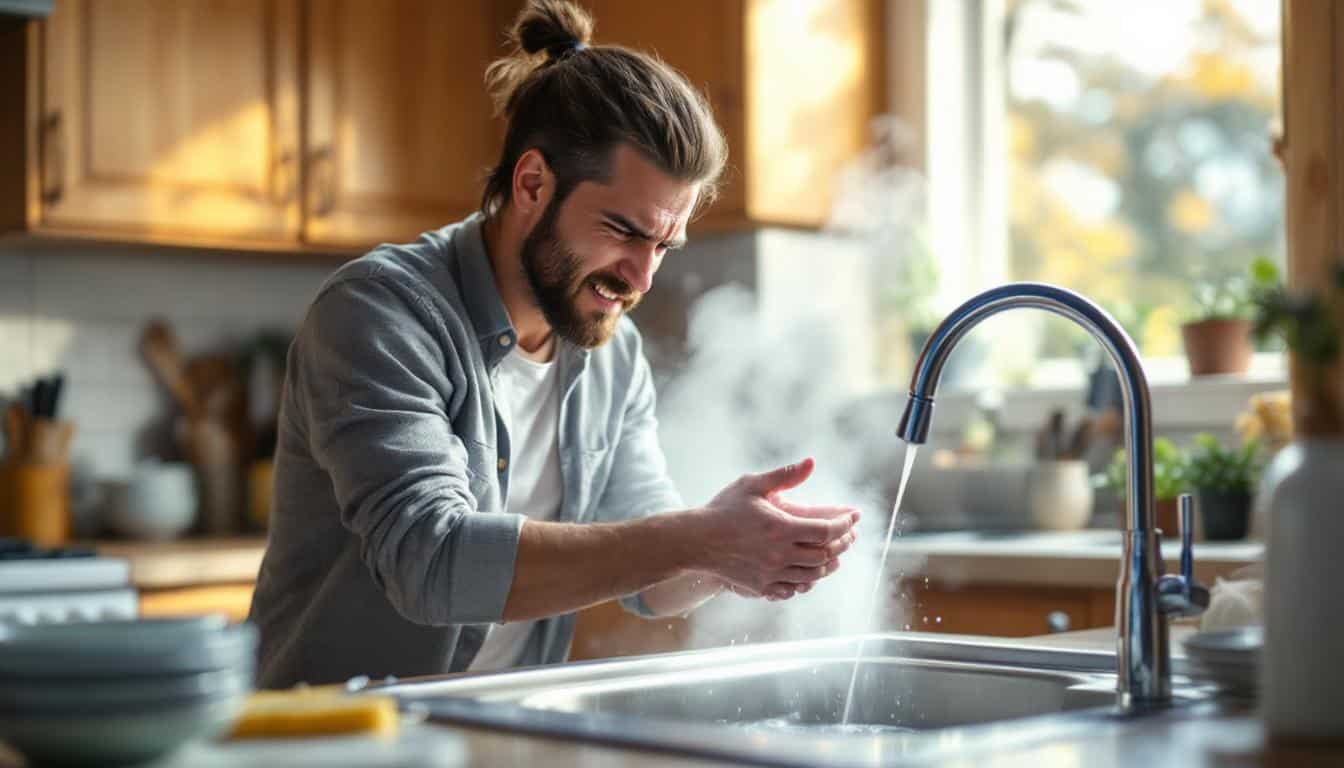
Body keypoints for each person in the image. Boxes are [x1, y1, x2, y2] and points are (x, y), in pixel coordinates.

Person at [249, 0, 859, 688]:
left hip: (490, 726)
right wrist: (698, 538)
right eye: (626, 232)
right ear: (533, 183)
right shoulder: (380, 313)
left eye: (665, 245)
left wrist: (738, 551)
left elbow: (648, 571)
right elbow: (431, 562)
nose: (642, 276)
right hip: (329, 741)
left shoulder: (611, 356)